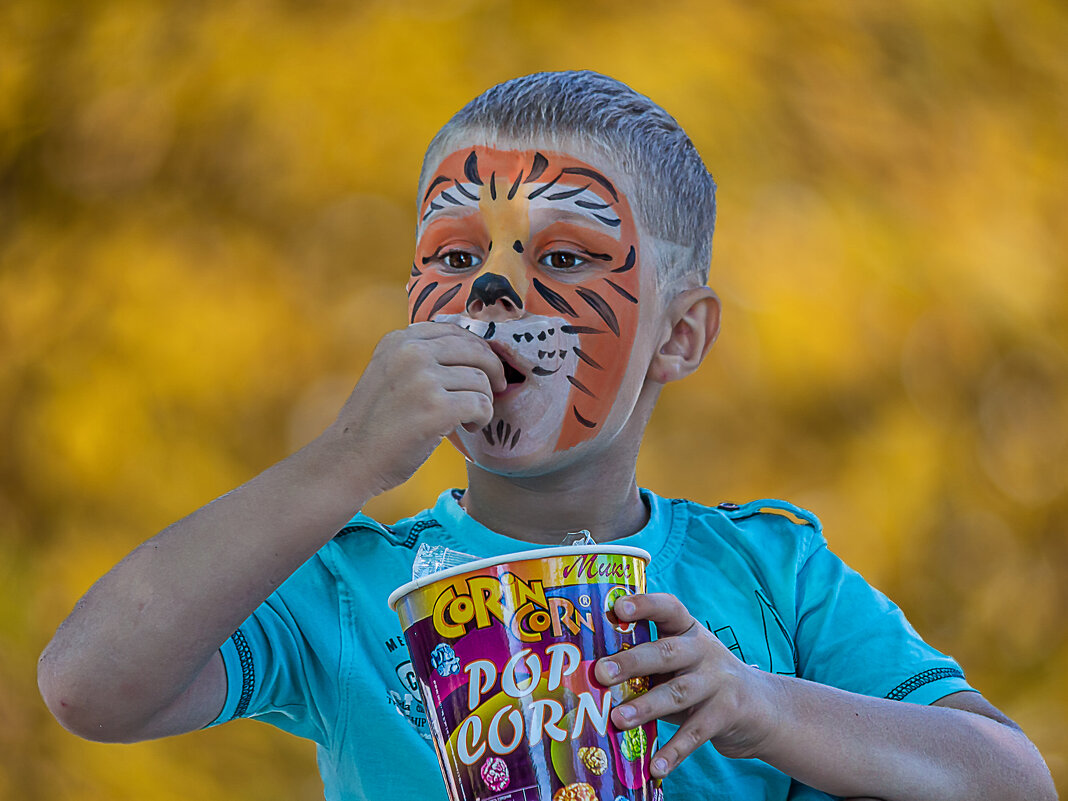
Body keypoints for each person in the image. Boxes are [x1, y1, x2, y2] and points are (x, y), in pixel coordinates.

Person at [38, 71, 1055, 801]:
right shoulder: (347, 588)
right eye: (453, 253)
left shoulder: (774, 572)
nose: (492, 291)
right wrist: (347, 456)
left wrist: (760, 707)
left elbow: (1011, 780)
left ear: (681, 333)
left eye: (565, 257)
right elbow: (88, 685)